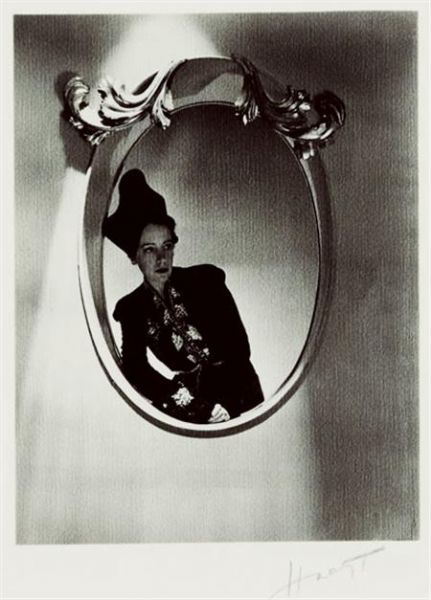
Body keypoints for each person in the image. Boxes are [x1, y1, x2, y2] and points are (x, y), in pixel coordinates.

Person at [103, 169, 264, 424]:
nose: (161, 259)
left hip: (240, 393)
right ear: (133, 256)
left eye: (167, 246)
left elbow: (239, 349)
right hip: (189, 404)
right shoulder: (131, 309)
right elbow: (136, 369)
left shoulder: (205, 281)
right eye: (149, 250)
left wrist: (226, 405)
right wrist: (189, 402)